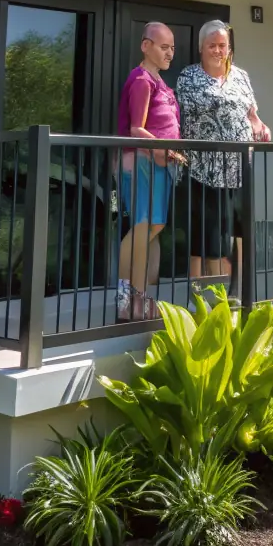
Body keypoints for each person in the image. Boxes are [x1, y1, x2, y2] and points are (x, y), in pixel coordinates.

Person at [176, 19, 270, 285]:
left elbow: (252, 114)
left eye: (223, 45)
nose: (218, 51)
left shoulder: (241, 76)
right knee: (205, 237)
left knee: (239, 233)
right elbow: (198, 111)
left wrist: (260, 126)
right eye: (212, 45)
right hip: (204, 169)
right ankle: (201, 296)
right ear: (201, 48)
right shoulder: (189, 76)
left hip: (239, 168)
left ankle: (237, 293)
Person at [116, 22, 183, 321]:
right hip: (142, 162)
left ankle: (139, 298)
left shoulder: (159, 81)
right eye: (163, 47)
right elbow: (136, 129)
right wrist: (167, 149)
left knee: (153, 227)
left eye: (172, 48)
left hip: (159, 163)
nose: (169, 53)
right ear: (146, 46)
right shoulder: (143, 79)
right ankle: (126, 299)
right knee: (144, 226)